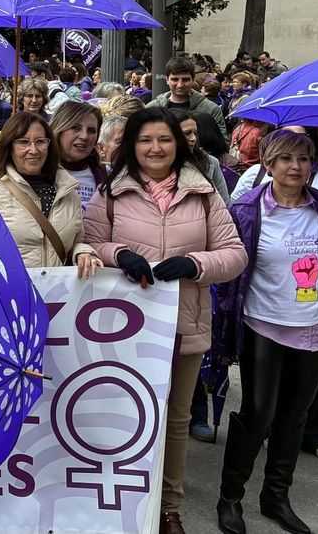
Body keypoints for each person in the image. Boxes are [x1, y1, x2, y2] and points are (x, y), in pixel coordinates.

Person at [82, 107, 247, 534]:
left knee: (174, 421)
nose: (155, 149)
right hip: (124, 328)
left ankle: (167, 506)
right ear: (131, 146)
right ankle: (116, 500)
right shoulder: (111, 194)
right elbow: (88, 243)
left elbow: (234, 254)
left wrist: (194, 264)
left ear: (180, 144)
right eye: (145, 140)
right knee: (123, 416)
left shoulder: (204, 192)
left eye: (164, 140)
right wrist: (117, 254)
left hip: (183, 325)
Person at [209, 130, 318, 534]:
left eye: (304, 159)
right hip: (263, 324)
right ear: (268, 164)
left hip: (315, 327)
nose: (295, 167)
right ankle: (230, 497)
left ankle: (276, 497)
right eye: (285, 159)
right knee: (258, 414)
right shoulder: (248, 208)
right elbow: (231, 268)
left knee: (295, 415)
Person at [0, 111, 95, 274]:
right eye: (23, 142)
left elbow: (77, 241)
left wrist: (82, 252)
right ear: (9, 147)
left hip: (58, 295)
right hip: (11, 295)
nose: (33, 150)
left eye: (40, 141)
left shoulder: (68, 193)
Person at [148, 57, 228, 141]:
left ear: (193, 79)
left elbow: (222, 144)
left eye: (185, 80)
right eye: (175, 79)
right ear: (167, 80)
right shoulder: (152, 108)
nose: (180, 85)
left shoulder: (211, 109)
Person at [52, 102, 105, 209]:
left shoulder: (106, 175)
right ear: (59, 129)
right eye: (76, 128)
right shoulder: (40, 173)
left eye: (91, 131)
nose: (84, 136)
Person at [172, 111, 230, 201]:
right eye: (187, 133)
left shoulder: (210, 162)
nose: (193, 138)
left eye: (195, 133)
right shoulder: (158, 166)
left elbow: (225, 203)